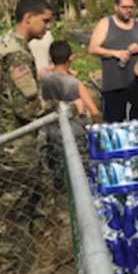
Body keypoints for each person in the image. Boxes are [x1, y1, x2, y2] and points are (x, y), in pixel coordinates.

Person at [0, 0, 83, 271]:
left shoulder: (0, 44)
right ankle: (6, 270)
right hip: (15, 144)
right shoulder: (16, 54)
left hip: (6, 138)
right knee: (13, 208)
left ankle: (47, 256)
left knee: (42, 195)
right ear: (28, 18)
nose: (47, 27)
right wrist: (61, 104)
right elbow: (28, 106)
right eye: (44, 21)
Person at [41, 40, 100, 188]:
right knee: (81, 173)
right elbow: (94, 110)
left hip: (53, 132)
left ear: (51, 58)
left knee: (59, 173)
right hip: (75, 134)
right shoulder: (74, 83)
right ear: (71, 57)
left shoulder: (45, 80)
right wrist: (96, 125)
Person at [88, 0, 138, 122]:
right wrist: (116, 53)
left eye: (131, 7)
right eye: (124, 7)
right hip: (114, 84)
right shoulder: (105, 23)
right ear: (116, 7)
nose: (128, 10)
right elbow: (93, 48)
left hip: (137, 84)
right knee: (115, 124)